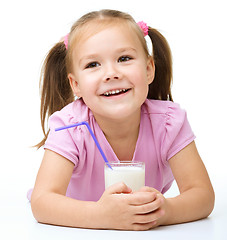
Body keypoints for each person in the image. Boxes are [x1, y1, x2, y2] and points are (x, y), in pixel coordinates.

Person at [29, 9, 215, 231]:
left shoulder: (169, 122)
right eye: (93, 65)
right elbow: (42, 202)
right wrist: (101, 215)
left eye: (124, 58)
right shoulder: (70, 127)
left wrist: (165, 211)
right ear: (75, 84)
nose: (111, 73)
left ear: (148, 69)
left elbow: (202, 195)